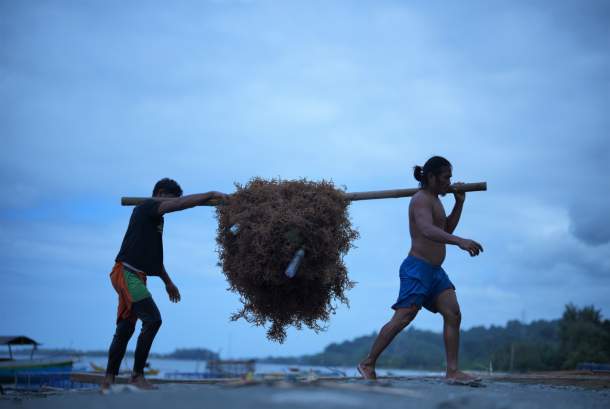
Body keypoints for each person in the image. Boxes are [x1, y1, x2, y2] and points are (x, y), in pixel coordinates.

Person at [358, 156, 483, 382]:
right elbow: (426, 229)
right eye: (446, 178)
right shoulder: (420, 199)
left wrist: (459, 202)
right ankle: (367, 363)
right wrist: (461, 241)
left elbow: (445, 228)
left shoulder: (436, 199)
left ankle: (453, 372)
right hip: (417, 269)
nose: (449, 182)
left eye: (450, 178)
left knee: (453, 313)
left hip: (436, 272)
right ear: (432, 177)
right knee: (403, 318)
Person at [101, 178, 227, 390]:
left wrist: (168, 282)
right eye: (171, 199)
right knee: (152, 320)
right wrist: (209, 193)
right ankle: (136, 376)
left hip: (134, 274)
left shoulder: (155, 219)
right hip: (127, 273)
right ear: (160, 193)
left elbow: (155, 260)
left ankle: (108, 380)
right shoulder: (148, 206)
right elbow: (178, 205)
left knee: (125, 328)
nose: (172, 204)